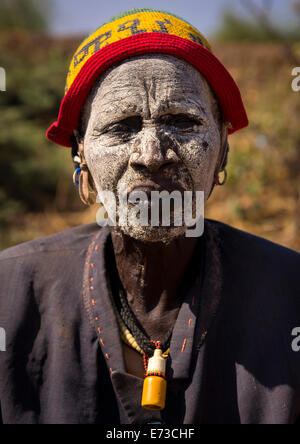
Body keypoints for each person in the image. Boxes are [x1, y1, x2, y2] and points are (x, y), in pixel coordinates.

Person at [0, 8, 299, 424]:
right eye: (121, 126)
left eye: (182, 122)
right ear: (79, 153)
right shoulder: (9, 293)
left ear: (223, 150)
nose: (151, 156)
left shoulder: (290, 293)